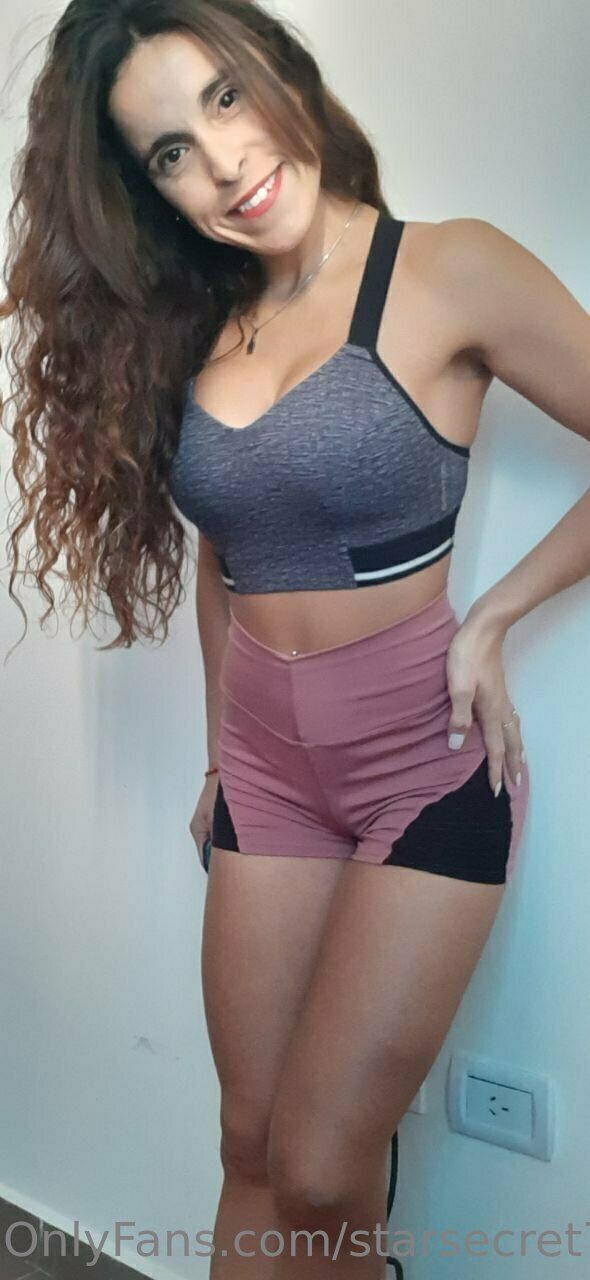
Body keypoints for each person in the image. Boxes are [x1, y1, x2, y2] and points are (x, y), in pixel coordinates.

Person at [2, 2, 589, 1277]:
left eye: (223, 97)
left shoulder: (450, 268)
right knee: (250, 1141)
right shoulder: (205, 327)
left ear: (279, 72)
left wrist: (495, 614)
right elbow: (225, 556)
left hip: (421, 761)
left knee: (325, 1167)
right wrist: (224, 751)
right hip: (265, 773)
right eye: (168, 152)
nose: (219, 163)